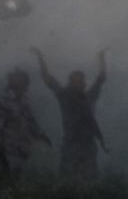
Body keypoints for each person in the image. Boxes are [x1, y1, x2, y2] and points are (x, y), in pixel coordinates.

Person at [35, 48, 110, 182]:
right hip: (71, 145)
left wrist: (102, 58)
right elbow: (48, 79)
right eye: (75, 81)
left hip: (88, 145)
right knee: (68, 180)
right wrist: (40, 57)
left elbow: (101, 78)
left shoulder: (89, 97)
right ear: (70, 82)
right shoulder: (64, 96)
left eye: (80, 81)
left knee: (89, 181)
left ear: (84, 83)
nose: (78, 84)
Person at [0, 66, 49, 187]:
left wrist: (41, 135)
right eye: (23, 82)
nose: (26, 85)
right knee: (7, 176)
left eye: (26, 82)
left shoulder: (24, 100)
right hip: (7, 148)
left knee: (15, 176)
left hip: (21, 147)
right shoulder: (4, 100)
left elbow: (31, 121)